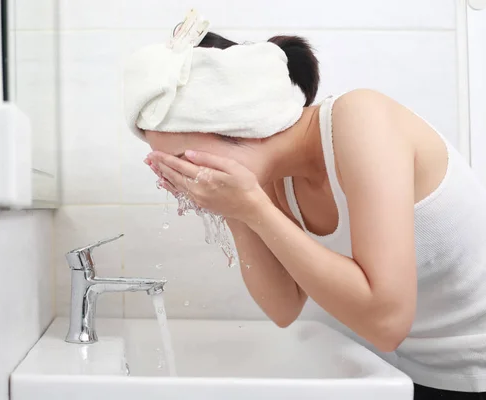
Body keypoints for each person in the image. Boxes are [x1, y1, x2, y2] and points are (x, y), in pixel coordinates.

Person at [123, 27, 486, 399]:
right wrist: (236, 209)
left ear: (241, 124)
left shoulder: (361, 119)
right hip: (403, 370)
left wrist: (254, 207)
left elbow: (387, 323)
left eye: (182, 159)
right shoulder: (270, 177)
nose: (181, 174)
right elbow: (283, 307)